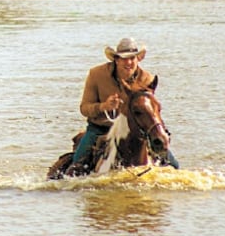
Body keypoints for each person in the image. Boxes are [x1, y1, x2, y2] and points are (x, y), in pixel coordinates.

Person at [72, 37, 179, 170]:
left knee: (174, 165)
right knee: (76, 165)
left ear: (138, 59)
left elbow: (150, 112)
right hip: (100, 129)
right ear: (116, 59)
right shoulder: (96, 75)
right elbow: (84, 108)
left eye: (132, 58)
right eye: (123, 58)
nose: (128, 62)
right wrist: (104, 106)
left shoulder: (147, 79)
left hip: (135, 132)